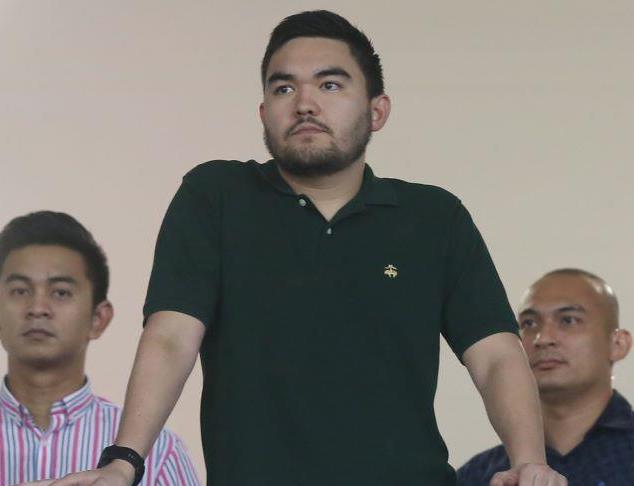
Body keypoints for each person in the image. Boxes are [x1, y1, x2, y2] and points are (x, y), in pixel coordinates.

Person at [51, 10, 565, 486]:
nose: (305, 103)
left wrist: (528, 462)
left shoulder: (434, 217)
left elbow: (495, 355)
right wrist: (123, 462)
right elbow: (171, 337)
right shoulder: (215, 197)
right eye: (284, 87)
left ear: (377, 110)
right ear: (263, 112)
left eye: (330, 84)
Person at [0, 211, 200, 486]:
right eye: (20, 291)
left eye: (60, 292)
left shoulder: (157, 452)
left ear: (98, 318)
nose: (38, 308)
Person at [457, 269, 633, 485]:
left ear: (618, 343)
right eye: (529, 324)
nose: (542, 338)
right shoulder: (481, 475)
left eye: (568, 320)